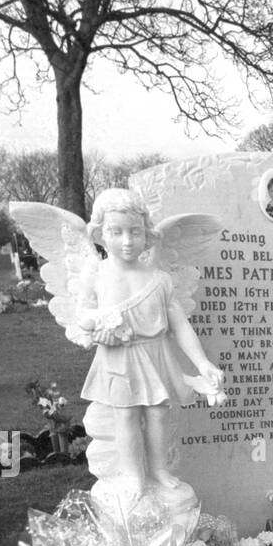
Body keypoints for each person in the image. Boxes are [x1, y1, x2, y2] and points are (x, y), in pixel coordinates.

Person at [79, 188, 224, 501]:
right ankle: (133, 475)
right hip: (119, 358)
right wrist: (100, 324)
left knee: (158, 413)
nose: (127, 241)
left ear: (147, 233)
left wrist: (202, 363)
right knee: (127, 415)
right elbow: (82, 315)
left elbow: (181, 325)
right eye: (116, 232)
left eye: (135, 232)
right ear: (100, 234)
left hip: (155, 353)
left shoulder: (159, 279)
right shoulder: (97, 275)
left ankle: (158, 469)